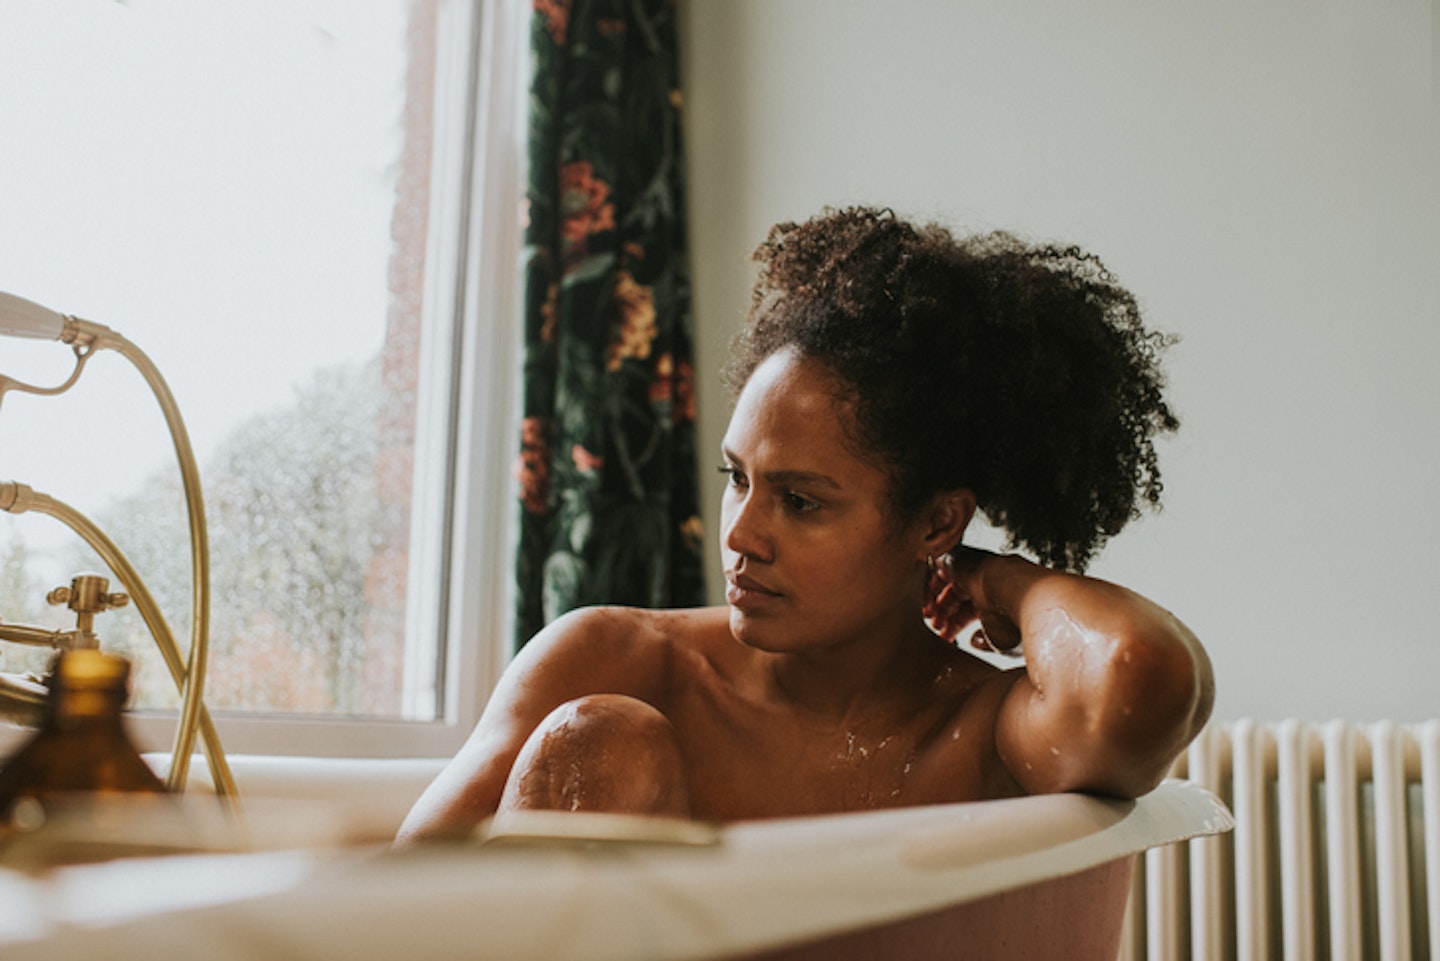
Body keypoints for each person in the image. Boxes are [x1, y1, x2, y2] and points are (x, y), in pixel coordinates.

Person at [395, 206, 1214, 842]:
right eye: (736, 478)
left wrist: (1003, 578)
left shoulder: (979, 732)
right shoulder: (617, 661)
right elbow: (397, 911)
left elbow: (1141, 676)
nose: (741, 534)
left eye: (801, 500)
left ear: (937, 521)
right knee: (604, 738)